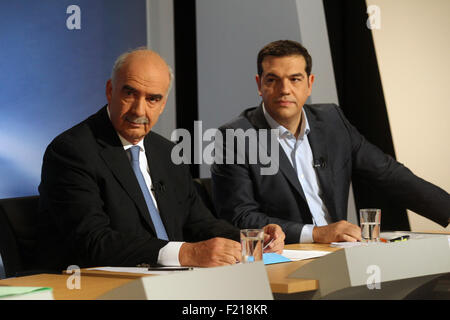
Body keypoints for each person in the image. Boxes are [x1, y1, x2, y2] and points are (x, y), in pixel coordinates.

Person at [36, 48, 285, 271]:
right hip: (106, 287)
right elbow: (93, 241)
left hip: (176, 282)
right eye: (130, 93)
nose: (139, 110)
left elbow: (200, 222)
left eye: (152, 99)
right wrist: (187, 253)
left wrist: (252, 240)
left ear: (163, 104)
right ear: (110, 90)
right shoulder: (71, 151)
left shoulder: (167, 152)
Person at [211, 40, 450, 244]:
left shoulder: (332, 121)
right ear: (259, 85)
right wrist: (316, 234)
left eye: (295, 79)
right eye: (273, 80)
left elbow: (388, 174)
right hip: (287, 256)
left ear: (309, 83)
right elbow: (240, 217)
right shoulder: (235, 136)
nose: (284, 89)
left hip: (341, 251)